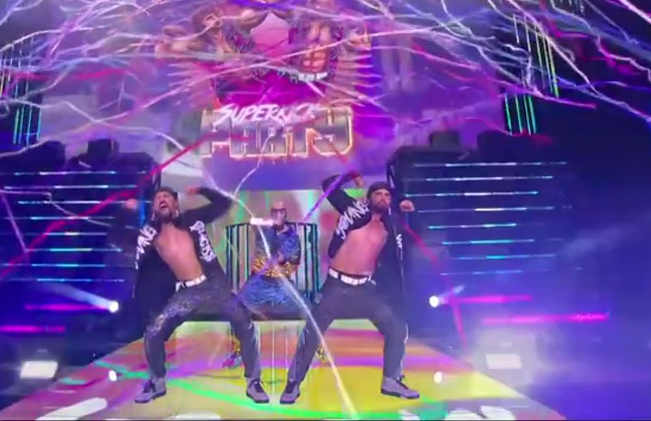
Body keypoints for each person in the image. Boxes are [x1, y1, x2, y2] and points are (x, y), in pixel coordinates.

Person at [108, 186, 268, 404]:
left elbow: (224, 203)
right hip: (188, 292)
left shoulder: (193, 219)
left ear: (175, 203)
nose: (162, 200)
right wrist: (124, 212)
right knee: (154, 332)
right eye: (158, 198)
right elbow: (116, 237)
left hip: (215, 286)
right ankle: (157, 382)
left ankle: (254, 381)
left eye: (167, 196)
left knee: (245, 323)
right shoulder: (149, 235)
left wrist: (203, 190)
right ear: (154, 208)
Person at [280, 172, 419, 404]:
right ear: (369, 197)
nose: (383, 198)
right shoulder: (353, 210)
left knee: (397, 329)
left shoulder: (392, 224)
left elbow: (405, 242)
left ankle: (391, 380)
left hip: (365, 290)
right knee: (311, 333)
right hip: (335, 287)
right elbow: (328, 185)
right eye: (378, 194)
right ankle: (293, 383)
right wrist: (350, 175)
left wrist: (404, 202)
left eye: (387, 195)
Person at [222, 201, 327, 369]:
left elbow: (279, 258)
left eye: (281, 212)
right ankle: (238, 350)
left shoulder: (292, 237)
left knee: (309, 310)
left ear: (286, 214)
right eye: (275, 212)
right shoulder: (264, 230)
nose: (278, 215)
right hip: (258, 283)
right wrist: (269, 223)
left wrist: (274, 243)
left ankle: (317, 347)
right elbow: (252, 222)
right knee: (235, 307)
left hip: (281, 285)